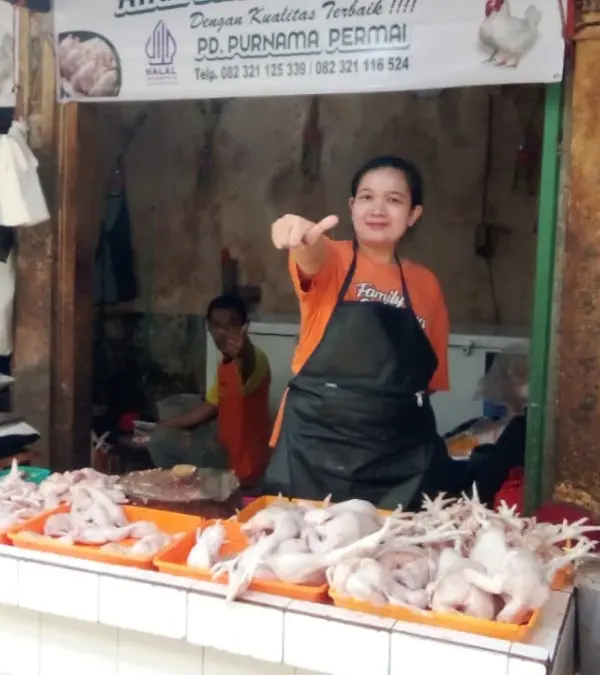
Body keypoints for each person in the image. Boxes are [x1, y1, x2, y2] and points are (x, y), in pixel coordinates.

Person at [262, 155, 454, 509]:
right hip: (314, 449)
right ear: (351, 207)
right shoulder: (332, 258)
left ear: (413, 215)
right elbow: (309, 251)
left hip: (397, 459)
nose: (378, 208)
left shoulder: (427, 285)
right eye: (366, 197)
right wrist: (299, 234)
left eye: (394, 200)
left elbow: (427, 382)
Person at [148, 294, 273, 486]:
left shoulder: (255, 359)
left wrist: (244, 348)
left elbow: (247, 361)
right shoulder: (225, 363)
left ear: (244, 326)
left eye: (231, 324)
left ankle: (179, 491)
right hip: (224, 445)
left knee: (161, 441)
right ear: (209, 327)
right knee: (173, 412)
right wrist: (167, 423)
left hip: (240, 464)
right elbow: (211, 405)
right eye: (217, 325)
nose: (223, 332)